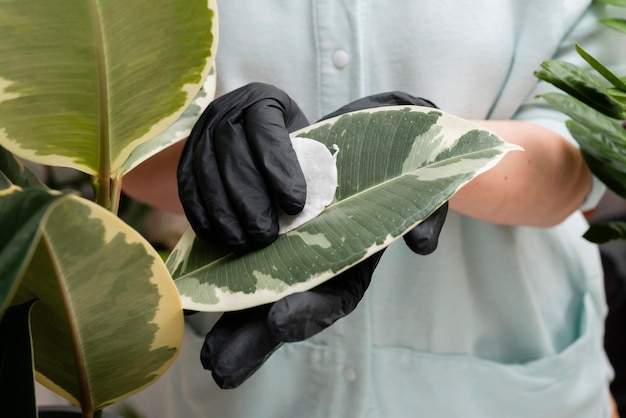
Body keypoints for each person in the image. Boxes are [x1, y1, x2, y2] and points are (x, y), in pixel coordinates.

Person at [116, 1, 626, 417]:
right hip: (255, 396)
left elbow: (581, 161)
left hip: (497, 385)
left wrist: (411, 151)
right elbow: (121, 156)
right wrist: (211, 159)